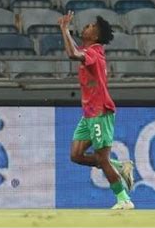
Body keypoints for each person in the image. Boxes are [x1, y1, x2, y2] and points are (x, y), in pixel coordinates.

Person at [58, 11, 135, 210]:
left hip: (100, 112)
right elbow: (76, 51)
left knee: (102, 159)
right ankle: (119, 166)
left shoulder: (94, 53)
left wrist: (65, 30)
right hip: (89, 113)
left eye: (91, 26)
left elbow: (72, 54)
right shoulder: (90, 51)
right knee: (75, 155)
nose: (87, 26)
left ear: (95, 36)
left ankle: (124, 200)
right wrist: (65, 33)